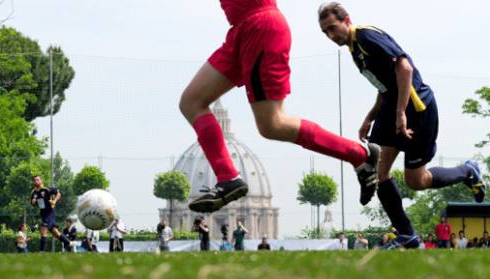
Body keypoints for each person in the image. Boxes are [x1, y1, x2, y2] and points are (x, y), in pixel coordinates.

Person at [181, 0, 381, 214]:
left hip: (261, 28)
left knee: (272, 124)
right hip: (241, 30)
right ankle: (228, 177)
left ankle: (358, 153)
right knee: (191, 102)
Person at [318, 2, 486, 249]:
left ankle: (467, 171)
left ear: (346, 20)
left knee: (416, 181)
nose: (331, 36)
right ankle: (407, 235)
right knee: (379, 172)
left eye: (333, 28)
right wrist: (370, 117)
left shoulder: (365, 35)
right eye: (326, 32)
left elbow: (404, 67)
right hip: (391, 109)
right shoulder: (355, 49)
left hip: (418, 109)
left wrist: (401, 113)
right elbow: (384, 85)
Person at [30, 175, 71, 252]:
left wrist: (54, 201)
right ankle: (67, 242)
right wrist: (33, 202)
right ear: (33, 182)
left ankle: (41, 251)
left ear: (41, 180)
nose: (36, 181)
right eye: (35, 180)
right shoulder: (34, 192)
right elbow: (32, 203)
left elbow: (59, 193)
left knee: (43, 228)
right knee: (55, 232)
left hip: (50, 212)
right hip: (43, 213)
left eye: (38, 180)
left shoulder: (47, 189)